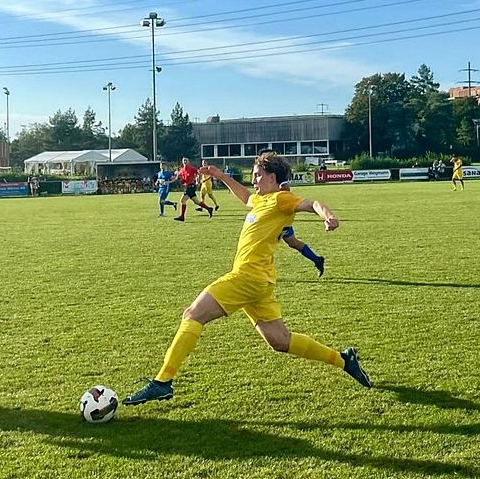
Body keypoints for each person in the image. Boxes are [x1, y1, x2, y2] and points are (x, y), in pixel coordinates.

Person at [123, 151, 370, 406]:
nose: (254, 180)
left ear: (272, 177)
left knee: (192, 314)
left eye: (257, 176)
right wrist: (220, 176)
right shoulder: (261, 200)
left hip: (247, 278)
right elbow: (245, 197)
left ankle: (163, 382)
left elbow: (312, 203)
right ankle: (343, 360)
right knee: (280, 341)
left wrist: (328, 217)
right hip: (260, 283)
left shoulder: (281, 199)